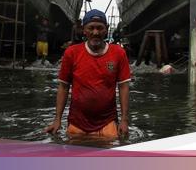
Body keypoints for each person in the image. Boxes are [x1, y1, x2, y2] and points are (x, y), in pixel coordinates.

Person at [44, 9, 131, 138]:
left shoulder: (118, 53)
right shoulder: (71, 53)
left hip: (107, 122)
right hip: (77, 122)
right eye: (91, 28)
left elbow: (124, 87)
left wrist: (124, 120)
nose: (95, 32)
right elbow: (63, 87)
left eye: (100, 28)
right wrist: (57, 119)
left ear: (106, 29)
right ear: (84, 30)